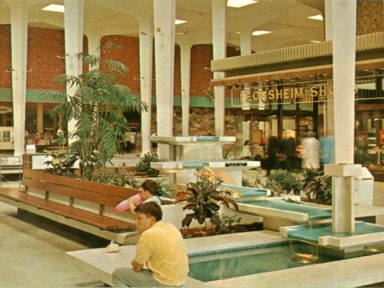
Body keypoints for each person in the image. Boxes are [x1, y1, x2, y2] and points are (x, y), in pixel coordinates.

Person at [112, 202, 189, 287]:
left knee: (117, 275)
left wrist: (135, 262)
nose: (136, 222)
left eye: (139, 218)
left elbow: (137, 268)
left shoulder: (148, 234)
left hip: (165, 283)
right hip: (181, 281)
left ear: (152, 220)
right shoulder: (171, 227)